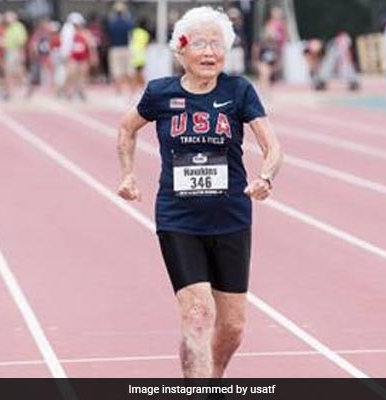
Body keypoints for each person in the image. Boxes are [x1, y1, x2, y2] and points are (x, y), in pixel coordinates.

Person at [116, 7, 283, 378]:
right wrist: (128, 175)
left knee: (233, 327)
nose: (210, 52)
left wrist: (266, 177)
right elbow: (126, 129)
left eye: (217, 44)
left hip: (231, 219)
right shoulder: (160, 94)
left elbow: (272, 146)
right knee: (197, 314)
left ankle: (211, 378)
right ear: (181, 51)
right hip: (180, 219)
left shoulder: (239, 91)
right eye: (201, 44)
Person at [106, 1, 134, 97]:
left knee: (116, 71)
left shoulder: (112, 23)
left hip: (115, 48)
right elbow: (131, 34)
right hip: (126, 47)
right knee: (128, 70)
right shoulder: (127, 23)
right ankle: (130, 91)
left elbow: (108, 33)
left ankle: (118, 91)